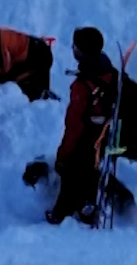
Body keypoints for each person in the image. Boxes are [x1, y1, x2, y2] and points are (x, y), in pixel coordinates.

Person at [48, 27, 117, 226]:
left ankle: (63, 214)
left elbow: (73, 125)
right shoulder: (108, 70)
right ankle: (87, 205)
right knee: (90, 171)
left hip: (87, 138)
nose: (72, 48)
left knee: (69, 170)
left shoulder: (82, 85)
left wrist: (63, 154)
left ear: (82, 50)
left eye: (75, 45)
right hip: (105, 136)